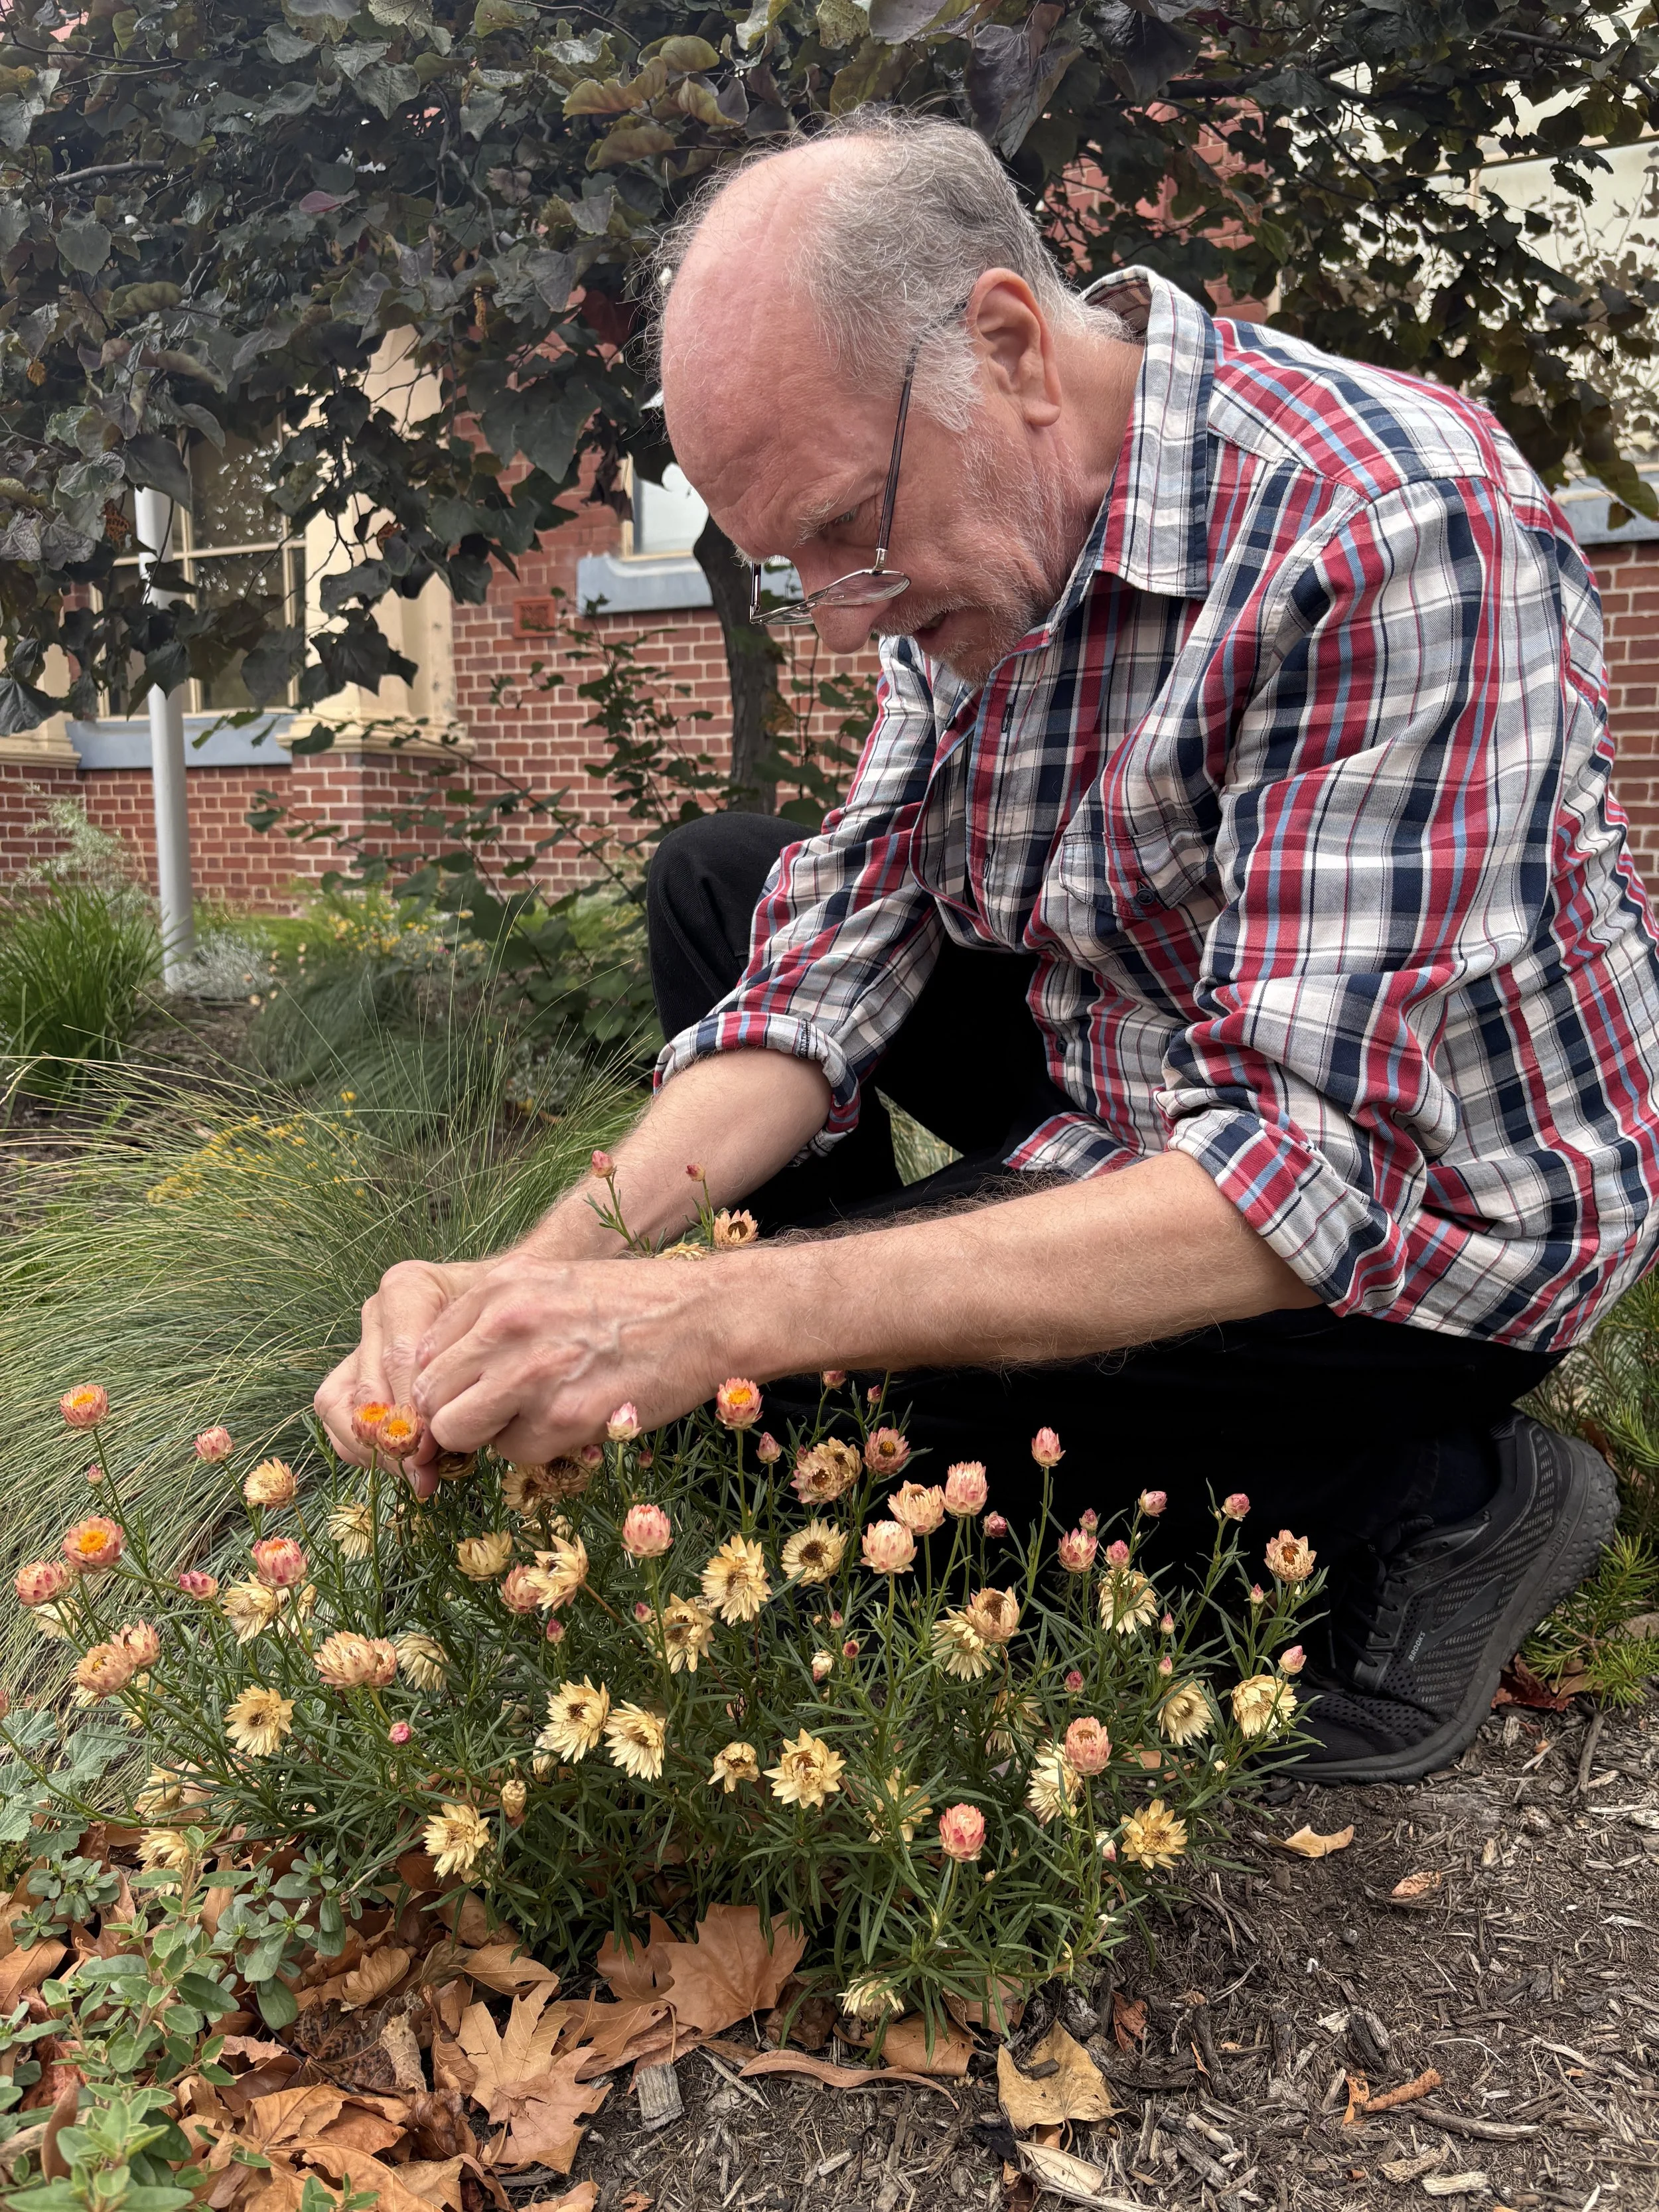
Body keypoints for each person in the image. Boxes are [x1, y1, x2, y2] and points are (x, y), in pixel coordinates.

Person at [316, 111, 1659, 1785]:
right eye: (783, 560)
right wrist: (557, 1268)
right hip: (1147, 1069)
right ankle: (903, 1375)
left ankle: (1452, 1498)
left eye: (839, 532)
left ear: (1010, 344)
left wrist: (717, 1323)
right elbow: (824, 962)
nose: (835, 611)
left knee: (829, 1436)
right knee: (726, 888)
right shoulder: (961, 550)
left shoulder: (1392, 528)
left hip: (1423, 1220)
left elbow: (1301, 1175)